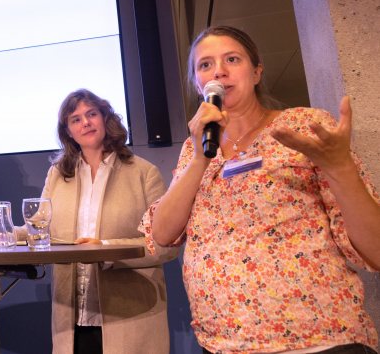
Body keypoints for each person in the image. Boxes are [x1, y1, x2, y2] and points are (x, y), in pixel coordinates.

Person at [141, 26, 380, 353]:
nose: (219, 71)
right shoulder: (194, 147)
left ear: (256, 72)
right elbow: (163, 234)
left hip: (319, 342)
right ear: (198, 83)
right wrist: (199, 158)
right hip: (222, 344)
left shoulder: (303, 124)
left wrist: (340, 167)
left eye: (232, 59)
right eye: (205, 65)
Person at [35, 89, 178, 354]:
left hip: (131, 315)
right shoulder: (57, 175)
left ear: (105, 119)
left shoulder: (144, 172)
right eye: (75, 119)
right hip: (72, 318)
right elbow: (37, 229)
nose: (85, 122)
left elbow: (165, 244)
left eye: (91, 114)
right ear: (68, 131)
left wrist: (105, 248)